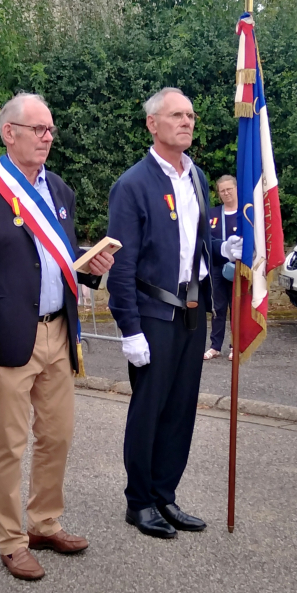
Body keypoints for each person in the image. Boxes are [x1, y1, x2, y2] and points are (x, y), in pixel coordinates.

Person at [0, 92, 115, 580]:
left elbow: (59, 260)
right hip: (6, 339)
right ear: (9, 133)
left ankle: (44, 521)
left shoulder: (59, 190)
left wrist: (90, 270)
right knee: (11, 444)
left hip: (58, 332)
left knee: (58, 436)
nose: (47, 137)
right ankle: (11, 538)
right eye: (38, 129)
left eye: (50, 130)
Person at [106, 87, 212, 539]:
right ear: (153, 124)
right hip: (153, 314)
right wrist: (129, 328)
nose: (187, 122)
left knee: (181, 409)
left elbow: (194, 244)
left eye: (190, 115)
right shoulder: (133, 185)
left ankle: (166, 494)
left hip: (193, 310)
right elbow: (122, 264)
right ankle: (140, 501)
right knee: (149, 409)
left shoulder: (198, 178)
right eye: (176, 115)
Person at [204, 173, 239, 362]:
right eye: (222, 191)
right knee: (218, 307)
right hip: (217, 267)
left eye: (229, 189)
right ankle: (215, 346)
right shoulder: (212, 214)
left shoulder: (245, 213)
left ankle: (236, 345)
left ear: (236, 189)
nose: (226, 194)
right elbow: (207, 240)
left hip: (238, 268)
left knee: (236, 308)